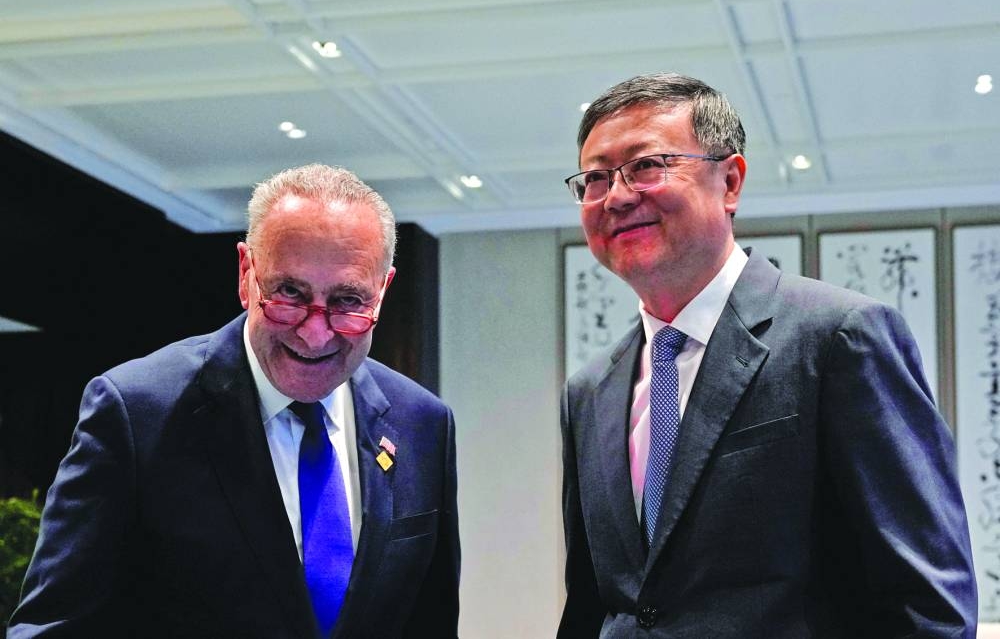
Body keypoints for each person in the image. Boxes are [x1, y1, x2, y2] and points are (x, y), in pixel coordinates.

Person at [557, 73, 976, 637]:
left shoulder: (840, 338)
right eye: (596, 178)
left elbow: (929, 605)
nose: (618, 196)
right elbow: (594, 605)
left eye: (647, 165)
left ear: (729, 181)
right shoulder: (589, 391)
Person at [8, 164, 459, 638]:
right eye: (289, 292)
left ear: (382, 291)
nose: (315, 332)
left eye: (348, 300)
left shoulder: (422, 424)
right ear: (247, 274)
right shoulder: (138, 412)